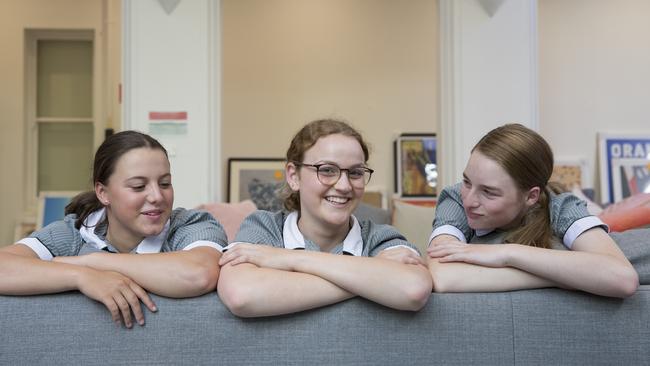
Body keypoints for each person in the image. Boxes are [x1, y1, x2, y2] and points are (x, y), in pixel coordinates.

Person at [0, 131, 227, 327]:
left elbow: (199, 274)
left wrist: (93, 262)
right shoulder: (74, 231)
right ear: (103, 193)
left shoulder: (192, 224)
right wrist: (80, 276)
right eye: (139, 186)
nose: (158, 196)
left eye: (165, 183)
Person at [217, 119, 432, 317]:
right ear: (293, 176)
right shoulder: (264, 228)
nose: (344, 186)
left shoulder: (381, 237)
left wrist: (289, 259)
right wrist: (371, 276)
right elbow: (241, 295)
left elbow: (413, 289)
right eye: (327, 170)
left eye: (356, 173)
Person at [427, 123, 639, 298]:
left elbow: (622, 278)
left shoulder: (561, 207)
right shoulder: (455, 198)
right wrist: (558, 276)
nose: (470, 200)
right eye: (467, 181)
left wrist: (506, 255)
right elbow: (442, 276)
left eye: (489, 192)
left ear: (531, 196)